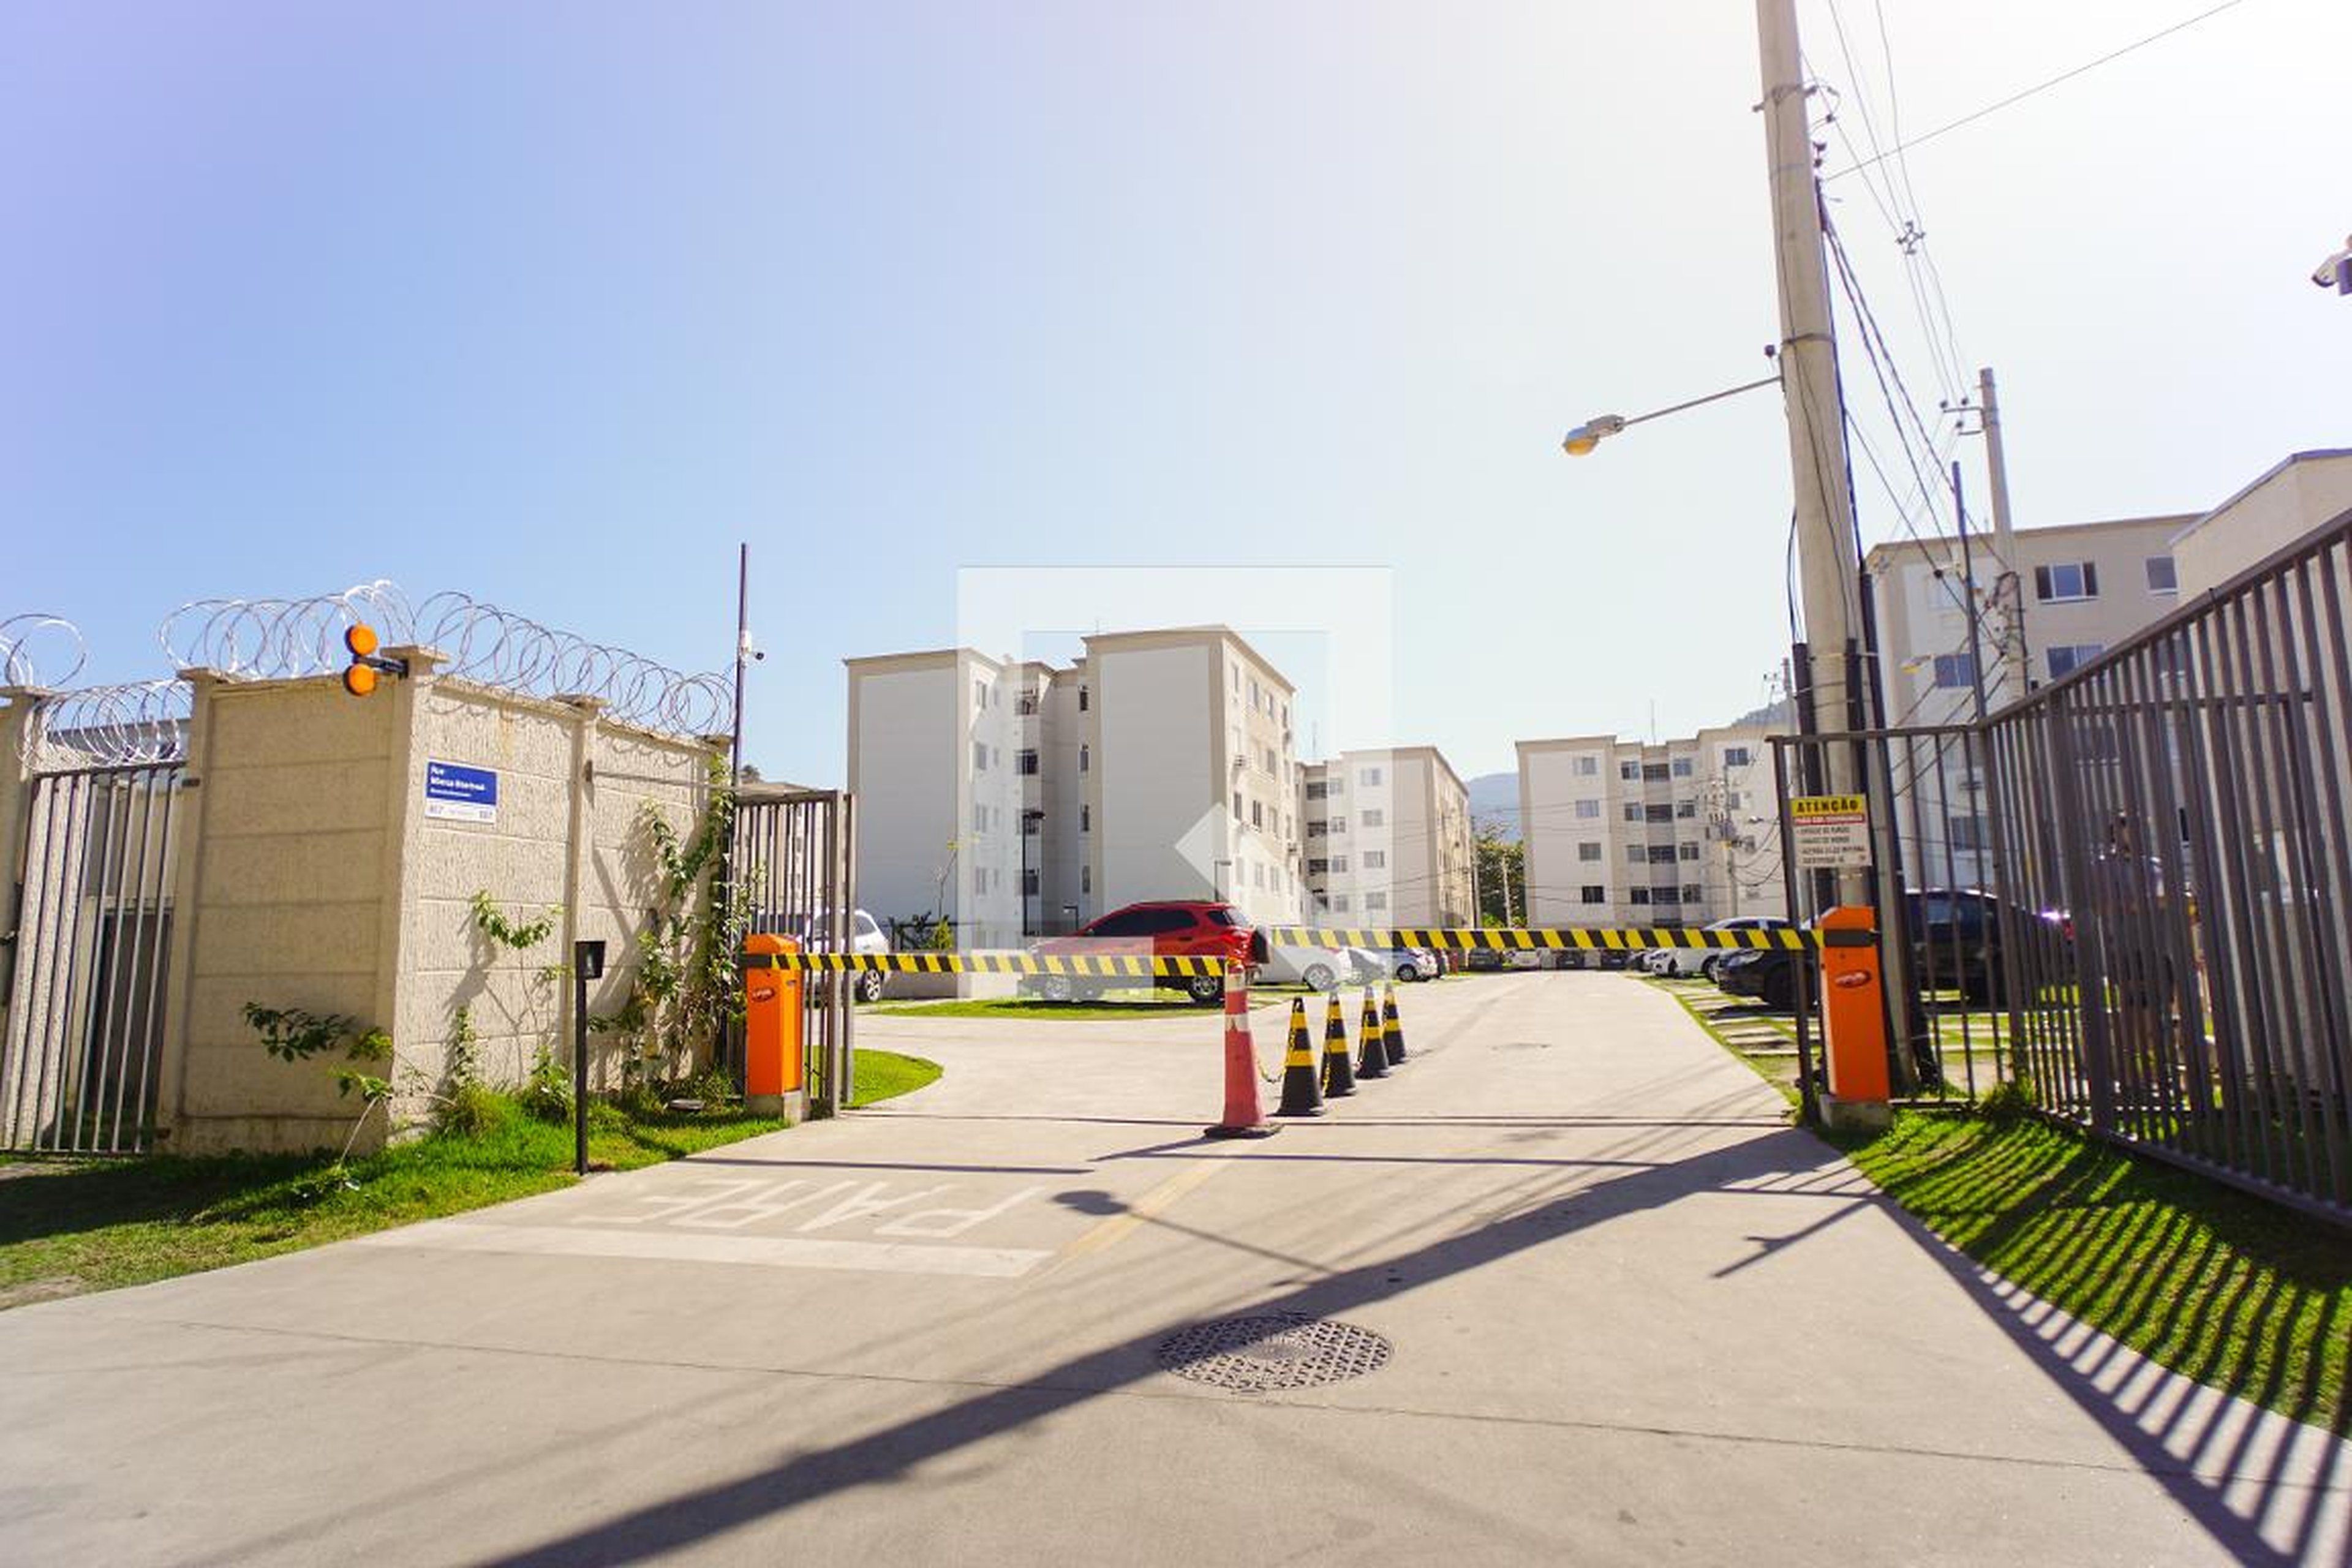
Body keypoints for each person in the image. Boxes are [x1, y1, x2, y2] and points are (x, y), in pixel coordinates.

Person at [2091, 812, 2173, 1105]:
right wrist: (2144, 904)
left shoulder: (2155, 865)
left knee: (2160, 1011)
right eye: (2131, 828)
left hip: (2160, 946)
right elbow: (2102, 906)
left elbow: (2172, 900)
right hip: (2126, 947)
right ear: (2118, 832)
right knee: (2133, 1012)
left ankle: (2159, 1075)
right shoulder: (2104, 867)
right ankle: (2130, 1078)